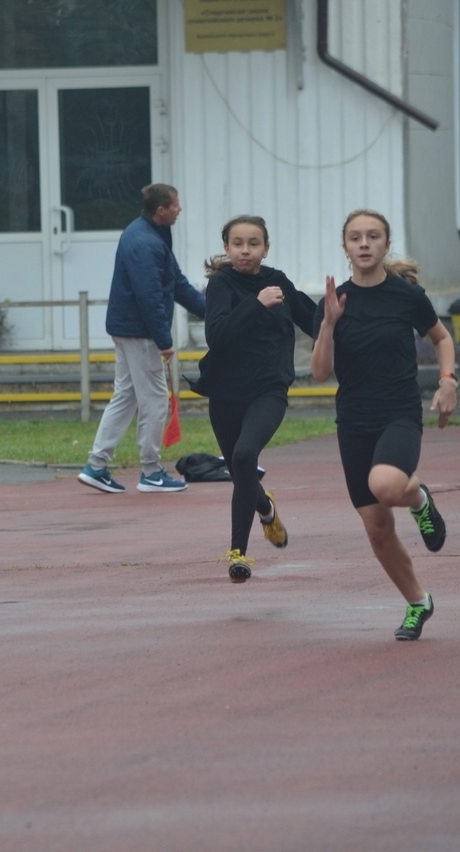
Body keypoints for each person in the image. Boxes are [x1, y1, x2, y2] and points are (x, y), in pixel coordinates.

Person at [310, 208, 457, 641]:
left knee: (387, 485)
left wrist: (448, 381)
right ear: (345, 247)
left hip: (399, 413)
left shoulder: (406, 296)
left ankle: (419, 499)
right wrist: (329, 325)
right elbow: (320, 372)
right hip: (354, 420)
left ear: (386, 245)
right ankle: (418, 603)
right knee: (376, 527)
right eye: (355, 237)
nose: (364, 244)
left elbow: (441, 338)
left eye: (373, 236)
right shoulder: (334, 302)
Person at [190, 216, 316, 582]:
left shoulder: (278, 282)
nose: (245, 251)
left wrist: (346, 319)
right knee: (240, 472)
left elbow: (315, 320)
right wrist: (257, 304)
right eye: (238, 244)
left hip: (268, 390)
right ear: (226, 248)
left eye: (254, 243)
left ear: (266, 248)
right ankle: (265, 507)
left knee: (245, 456)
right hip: (225, 392)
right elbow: (217, 336)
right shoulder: (221, 284)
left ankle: (237, 554)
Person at [78, 183, 207, 494]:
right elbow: (149, 297)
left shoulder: (149, 234)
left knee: (126, 396)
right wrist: (164, 340)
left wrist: (210, 311)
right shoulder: (145, 243)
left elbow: (175, 283)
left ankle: (96, 465)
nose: (179, 209)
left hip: (129, 329)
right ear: (161, 210)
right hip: (140, 333)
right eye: (175, 205)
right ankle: (150, 471)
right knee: (154, 399)